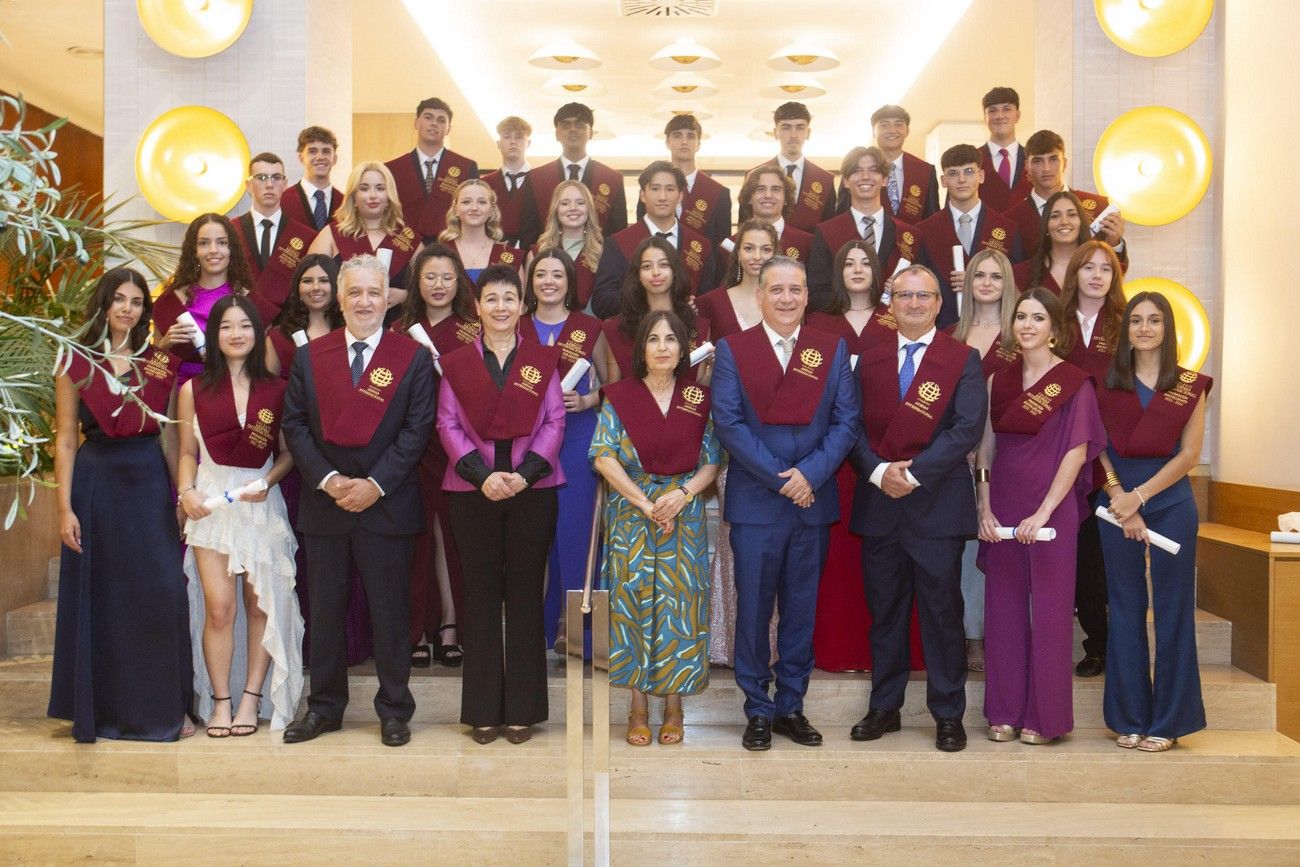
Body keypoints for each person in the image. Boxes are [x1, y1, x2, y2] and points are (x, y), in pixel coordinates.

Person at [282, 254, 435, 748]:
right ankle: (324, 707)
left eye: (374, 293)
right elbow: (295, 426)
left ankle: (394, 710)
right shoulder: (311, 355)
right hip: (326, 504)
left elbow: (417, 432)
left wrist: (374, 484)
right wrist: (329, 480)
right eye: (355, 293)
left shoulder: (409, 358)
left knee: (390, 612)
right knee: (325, 610)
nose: (364, 302)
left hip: (386, 503)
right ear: (340, 299)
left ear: (386, 297)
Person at [711, 256, 859, 750]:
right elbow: (729, 424)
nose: (787, 298)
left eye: (796, 289)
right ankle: (757, 708)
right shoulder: (734, 349)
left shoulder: (830, 348)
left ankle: (792, 705)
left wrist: (810, 474)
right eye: (777, 290)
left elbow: (846, 422)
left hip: (811, 502)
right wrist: (783, 480)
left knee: (801, 610)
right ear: (760, 295)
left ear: (807, 295)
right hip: (757, 502)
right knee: (752, 611)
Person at [49, 268, 194, 742]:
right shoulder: (76, 361)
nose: (127, 307)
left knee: (162, 591)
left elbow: (171, 436)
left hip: (148, 482)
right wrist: (64, 507)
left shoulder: (159, 363)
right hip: (95, 485)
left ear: (144, 311)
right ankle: (103, 711)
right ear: (104, 303)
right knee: (103, 597)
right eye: (119, 298)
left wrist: (178, 495)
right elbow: (67, 438)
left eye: (135, 301)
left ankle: (167, 711)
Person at [847, 265, 986, 752]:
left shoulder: (962, 359)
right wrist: (878, 472)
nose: (912, 303)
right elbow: (851, 426)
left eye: (922, 295)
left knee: (942, 613)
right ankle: (885, 707)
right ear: (890, 301)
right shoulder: (867, 358)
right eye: (903, 295)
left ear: (938, 303)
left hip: (937, 505)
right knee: (885, 613)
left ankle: (948, 713)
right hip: (879, 502)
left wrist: (914, 473)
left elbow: (966, 429)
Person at [436, 265, 565, 745]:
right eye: (491, 299)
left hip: (533, 489)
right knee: (482, 597)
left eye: (509, 298)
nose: (501, 308)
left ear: (523, 305)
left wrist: (524, 475)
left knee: (527, 595)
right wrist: (483, 476)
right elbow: (446, 423)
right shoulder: (458, 362)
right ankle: (483, 710)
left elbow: (554, 420)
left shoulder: (541, 360)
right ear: (477, 307)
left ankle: (525, 711)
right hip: (473, 492)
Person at [975, 287, 1106, 745]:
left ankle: (1045, 718)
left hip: (1051, 513)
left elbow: (1078, 452)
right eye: (1021, 318)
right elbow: (986, 447)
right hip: (1004, 508)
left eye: (1037, 318)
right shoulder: (999, 380)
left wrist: (1045, 511)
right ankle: (1005, 711)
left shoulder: (1073, 382)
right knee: (1003, 614)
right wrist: (984, 504)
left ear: (1055, 328)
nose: (1027, 325)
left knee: (1050, 616)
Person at [176, 295, 303, 735]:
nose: (236, 334)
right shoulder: (193, 390)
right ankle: (220, 702)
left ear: (257, 333)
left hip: (259, 500)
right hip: (211, 502)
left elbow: (287, 454)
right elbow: (187, 451)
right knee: (219, 608)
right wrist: (185, 491)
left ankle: (252, 700)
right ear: (214, 335)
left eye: (245, 326)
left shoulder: (278, 389)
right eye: (227, 326)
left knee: (260, 603)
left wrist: (267, 482)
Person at [594, 311, 722, 745]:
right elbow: (604, 456)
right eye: (653, 339)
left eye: (672, 339)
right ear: (641, 349)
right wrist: (646, 503)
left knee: (679, 608)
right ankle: (636, 707)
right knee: (631, 606)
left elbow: (711, 461)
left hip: (681, 516)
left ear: (684, 348)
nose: (663, 346)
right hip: (633, 514)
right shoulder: (620, 397)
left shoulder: (699, 398)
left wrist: (683, 496)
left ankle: (674, 706)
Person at [1096, 292, 1210, 752]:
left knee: (1173, 608)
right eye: (1137, 320)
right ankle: (1128, 716)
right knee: (1123, 606)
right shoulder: (1104, 382)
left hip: (1171, 504)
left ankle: (1169, 720)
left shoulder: (1188, 384)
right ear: (1126, 331)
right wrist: (1119, 495)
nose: (1144, 328)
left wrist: (1141, 496)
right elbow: (1095, 445)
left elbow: (1190, 455)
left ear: (1167, 329)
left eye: (1154, 320)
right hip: (1114, 503)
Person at [806, 240, 918, 674]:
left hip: (883, 457)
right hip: (835, 459)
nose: (856, 269)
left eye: (864, 262)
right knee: (839, 560)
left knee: (886, 564)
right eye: (847, 262)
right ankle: (840, 649)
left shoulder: (897, 318)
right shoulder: (818, 321)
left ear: (878, 272)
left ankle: (886, 656)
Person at [693, 220, 776, 669]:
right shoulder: (710, 303)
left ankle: (774, 641)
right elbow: (701, 374)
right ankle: (727, 637)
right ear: (737, 253)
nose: (758, 255)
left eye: (766, 247)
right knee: (733, 533)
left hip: (784, 436)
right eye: (750, 247)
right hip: (731, 432)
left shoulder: (788, 297)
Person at [393, 244, 479, 670]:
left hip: (457, 446)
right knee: (416, 536)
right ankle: (415, 629)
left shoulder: (473, 329)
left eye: (447, 277)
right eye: (430, 277)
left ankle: (449, 625)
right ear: (417, 282)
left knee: (453, 537)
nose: (439, 285)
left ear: (459, 280)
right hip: (410, 447)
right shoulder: (400, 328)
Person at [523, 249, 609, 653]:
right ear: (531, 281)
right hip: (527, 442)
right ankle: (537, 630)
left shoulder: (589, 327)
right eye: (541, 274)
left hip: (577, 439)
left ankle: (581, 634)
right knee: (537, 539)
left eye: (558, 274)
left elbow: (616, 383)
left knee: (577, 535)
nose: (549, 282)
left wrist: (590, 401)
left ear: (569, 282)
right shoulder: (518, 326)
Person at [949, 250, 1020, 671]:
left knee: (997, 544)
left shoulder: (1020, 335)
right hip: (955, 459)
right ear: (967, 282)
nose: (988, 283)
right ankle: (969, 634)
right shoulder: (951, 337)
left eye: (996, 276)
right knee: (963, 552)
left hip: (1005, 456)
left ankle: (1001, 635)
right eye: (980, 275)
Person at [1060, 240, 1128, 677]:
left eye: (1106, 268)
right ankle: (1095, 642)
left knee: (1109, 553)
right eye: (1089, 267)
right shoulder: (1057, 322)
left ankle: (1114, 643)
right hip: (1066, 451)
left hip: (1116, 453)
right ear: (1076, 274)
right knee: (1081, 552)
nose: (1097, 275)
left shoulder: (1125, 323)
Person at [915, 144, 1023, 329]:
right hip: (941, 329)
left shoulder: (1006, 228)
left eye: (969, 171)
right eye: (953, 173)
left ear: (981, 176)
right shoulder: (925, 231)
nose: (962, 179)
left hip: (995, 329)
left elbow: (1018, 285)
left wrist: (977, 280)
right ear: (943, 180)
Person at [591, 160, 716, 318]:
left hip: (688, 337)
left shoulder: (701, 246)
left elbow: (709, 304)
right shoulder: (618, 243)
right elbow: (601, 303)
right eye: (655, 189)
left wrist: (695, 307)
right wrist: (647, 296)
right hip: (634, 337)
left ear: (680, 196)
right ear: (643, 195)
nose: (662, 196)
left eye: (670, 189)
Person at [808, 146, 918, 311]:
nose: (866, 177)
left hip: (895, 328)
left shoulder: (908, 234)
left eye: (873, 170)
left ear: (885, 179)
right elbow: (817, 291)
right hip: (843, 326)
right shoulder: (826, 232)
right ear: (845, 181)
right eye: (857, 171)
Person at [152, 213, 253, 388]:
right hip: (181, 388)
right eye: (204, 243)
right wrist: (165, 345)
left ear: (232, 250)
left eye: (221, 242)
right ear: (194, 251)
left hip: (234, 388)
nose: (213, 250)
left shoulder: (246, 298)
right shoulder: (173, 299)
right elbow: (155, 366)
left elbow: (258, 359)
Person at [600, 235, 711, 383]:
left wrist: (712, 368)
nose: (655, 272)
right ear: (638, 275)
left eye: (663, 265)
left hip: (685, 406)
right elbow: (614, 389)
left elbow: (699, 389)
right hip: (633, 406)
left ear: (674, 271)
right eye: (647, 266)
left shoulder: (697, 326)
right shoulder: (618, 328)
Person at [307, 161, 418, 308]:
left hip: (394, 326)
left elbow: (426, 288)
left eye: (380, 188)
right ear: (353, 196)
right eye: (364, 189)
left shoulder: (407, 237)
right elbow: (309, 285)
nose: (373, 195)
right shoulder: (332, 235)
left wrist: (404, 296)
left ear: (389, 195)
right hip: (341, 324)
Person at [1004, 130, 1127, 261]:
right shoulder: (1011, 220)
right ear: (1026, 166)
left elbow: (1115, 273)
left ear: (1065, 163)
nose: (1047, 168)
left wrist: (1114, 243)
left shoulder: (1099, 208)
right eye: (1037, 161)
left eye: (1053, 159)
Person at [233, 152, 317, 323]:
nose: (270, 184)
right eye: (261, 177)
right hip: (240, 324)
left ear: (285, 184)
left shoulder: (305, 236)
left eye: (276, 177)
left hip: (287, 329)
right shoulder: (230, 231)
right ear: (248, 185)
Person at [384, 97, 480, 243]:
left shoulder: (466, 167)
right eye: (428, 118)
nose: (434, 123)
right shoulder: (392, 169)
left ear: (448, 129)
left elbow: (474, 210)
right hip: (405, 246)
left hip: (452, 245)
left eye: (441, 120)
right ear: (416, 123)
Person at [635, 114, 732, 253]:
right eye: (677, 135)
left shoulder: (718, 193)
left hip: (702, 270)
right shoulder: (650, 188)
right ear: (667, 143)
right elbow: (641, 233)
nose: (684, 141)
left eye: (691, 136)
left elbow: (722, 246)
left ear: (698, 144)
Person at [529, 102, 628, 237]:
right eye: (566, 125)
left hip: (599, 256)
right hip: (548, 255)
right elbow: (529, 232)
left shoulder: (611, 178)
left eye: (580, 125)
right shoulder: (536, 178)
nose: (573, 129)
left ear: (591, 133)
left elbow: (619, 232)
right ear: (556, 134)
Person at [836, 104, 938, 225]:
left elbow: (932, 219)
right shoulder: (855, 168)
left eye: (899, 124)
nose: (892, 130)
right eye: (884, 125)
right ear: (873, 132)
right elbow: (842, 215)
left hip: (913, 242)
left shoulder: (924, 171)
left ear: (907, 131)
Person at [749, 102, 836, 232]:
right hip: (763, 249)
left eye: (800, 128)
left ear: (808, 133)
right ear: (775, 132)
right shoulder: (755, 175)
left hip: (811, 251)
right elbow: (745, 226)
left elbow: (829, 230)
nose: (793, 135)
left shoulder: (824, 180)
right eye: (786, 127)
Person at [530, 179, 603, 308]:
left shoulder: (604, 253)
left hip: (590, 326)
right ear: (555, 210)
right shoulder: (537, 252)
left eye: (580, 203)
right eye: (565, 203)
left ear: (589, 210)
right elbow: (528, 301)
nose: (573, 208)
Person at [438, 178, 522, 284]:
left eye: (482, 202)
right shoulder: (440, 253)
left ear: (492, 210)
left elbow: (518, 298)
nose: (474, 208)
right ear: (455, 210)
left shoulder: (510, 256)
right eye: (466, 202)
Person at [1014, 190, 1092, 295]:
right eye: (1055, 216)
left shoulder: (1098, 269)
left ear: (1081, 222)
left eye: (1072, 214)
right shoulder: (1022, 273)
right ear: (1046, 225)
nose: (1064, 221)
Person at [481, 116, 542, 250]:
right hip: (490, 254)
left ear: (529, 143)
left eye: (519, 137)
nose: (513, 142)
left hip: (534, 256)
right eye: (507, 137)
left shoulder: (541, 181)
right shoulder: (484, 184)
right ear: (498, 143)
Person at [729, 166, 813, 263]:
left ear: (786, 198)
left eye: (776, 189)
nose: (768, 195)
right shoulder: (730, 245)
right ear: (749, 198)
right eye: (760, 189)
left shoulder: (808, 244)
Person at [977, 87, 1030, 213]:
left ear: (1018, 115)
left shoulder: (1034, 159)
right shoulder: (972, 160)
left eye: (1006, 109)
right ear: (985, 118)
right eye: (992, 110)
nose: (999, 116)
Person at [280, 126, 342, 232]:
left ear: (334, 159)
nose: (320, 157)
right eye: (312, 151)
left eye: (326, 151)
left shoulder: (345, 203)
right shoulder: (283, 200)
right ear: (301, 158)